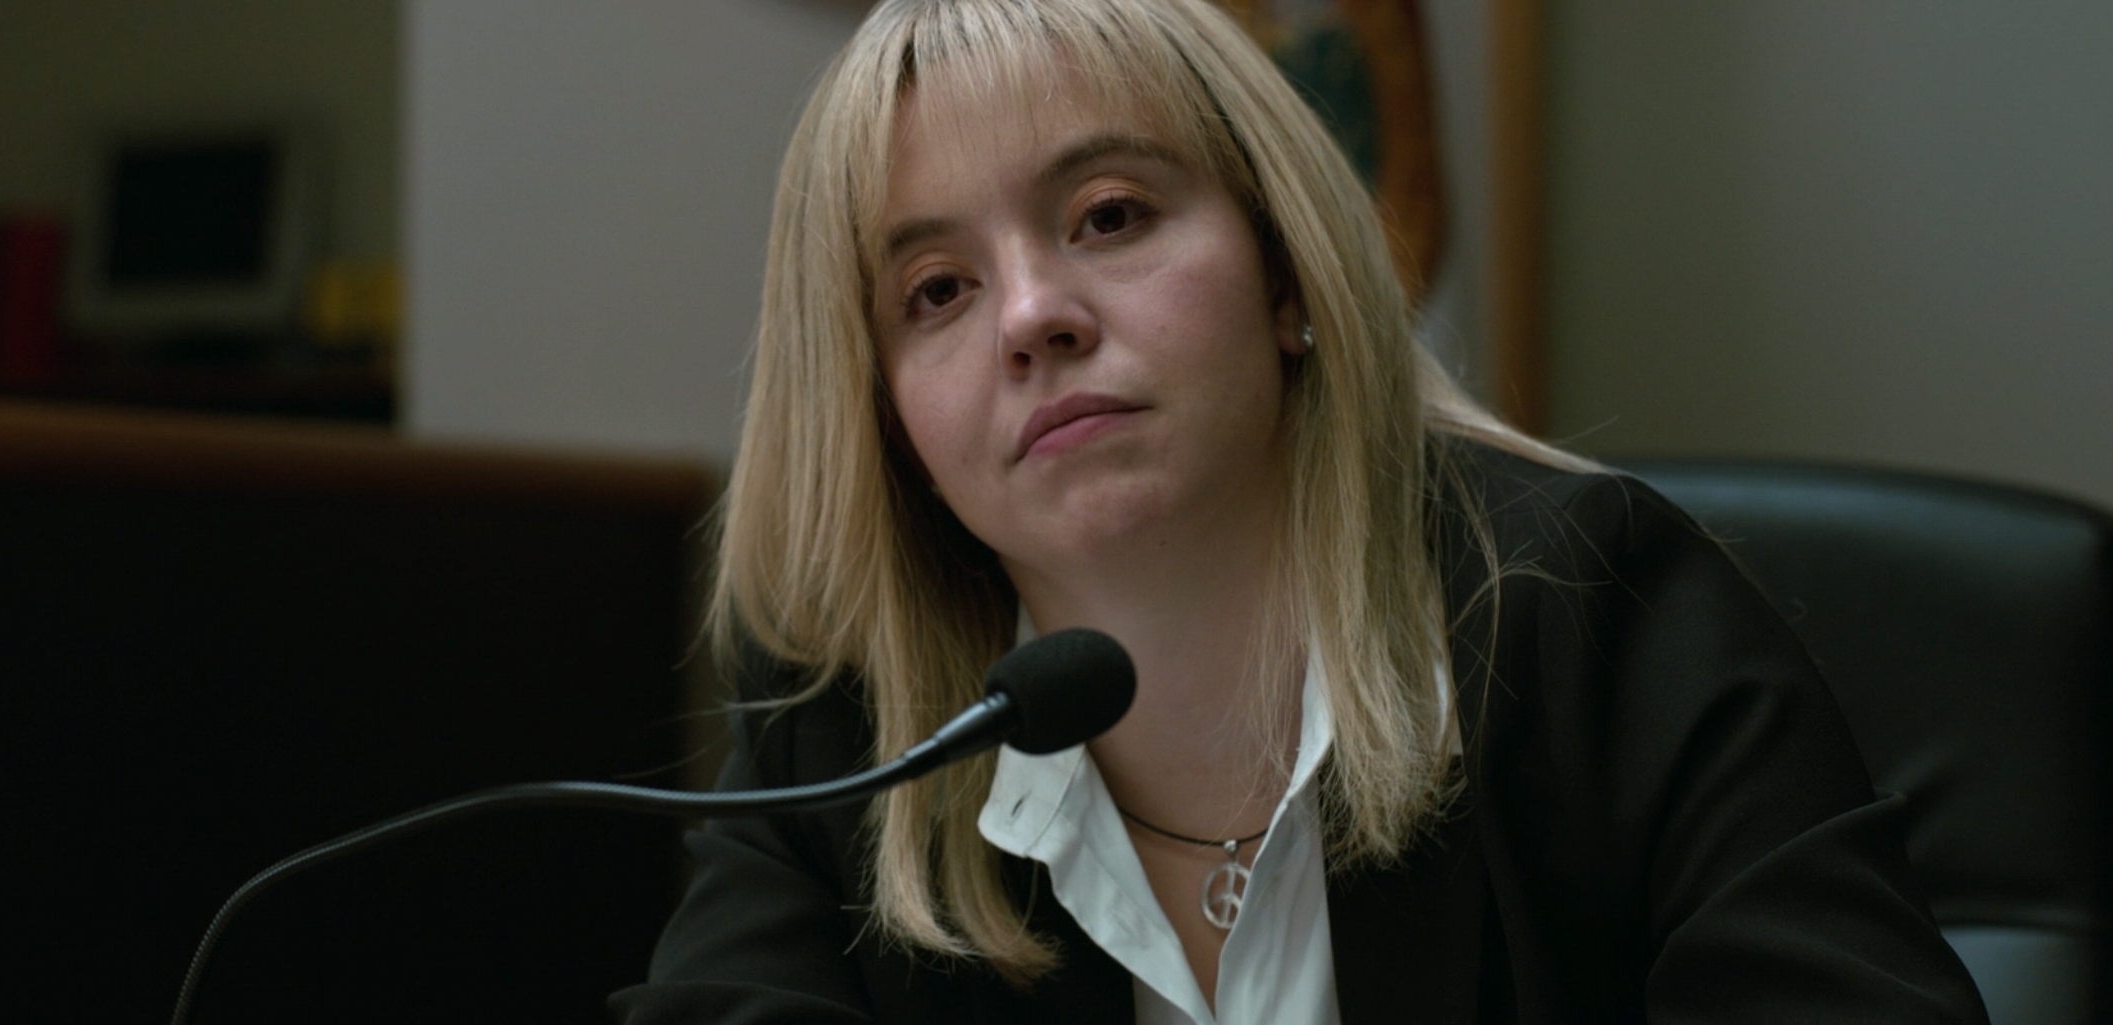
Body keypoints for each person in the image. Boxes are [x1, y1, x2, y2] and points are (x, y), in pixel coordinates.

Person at [609, 0, 1988, 1021]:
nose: (1031, 316)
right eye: (937, 292)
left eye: (1108, 216)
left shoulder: (1600, 616)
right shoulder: (845, 729)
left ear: (1287, 275)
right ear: (887, 420)